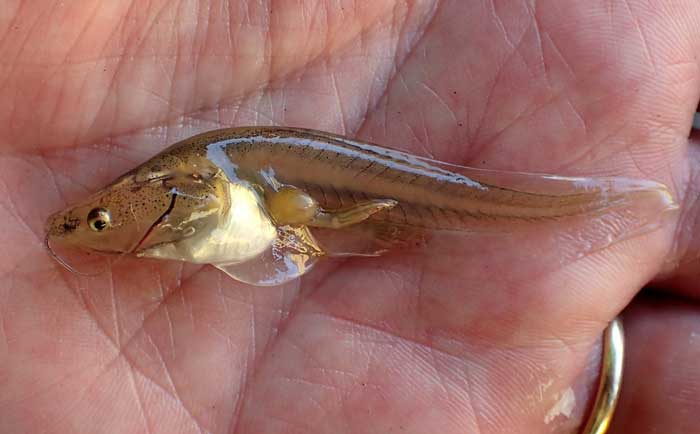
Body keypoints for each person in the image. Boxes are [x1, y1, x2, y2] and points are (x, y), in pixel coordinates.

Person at [0, 1, 698, 433]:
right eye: (97, 220)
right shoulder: (179, 194)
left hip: (304, 193)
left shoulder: (196, 183)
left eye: (98, 221)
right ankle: (602, 209)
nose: (92, 226)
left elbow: (282, 215)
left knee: (463, 199)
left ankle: (602, 208)